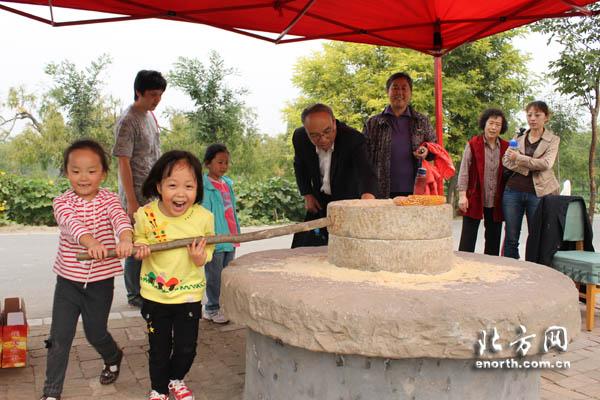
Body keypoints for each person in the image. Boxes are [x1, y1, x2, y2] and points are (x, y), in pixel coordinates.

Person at [41, 140, 133, 400]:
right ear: (67, 172)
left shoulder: (110, 199)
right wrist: (91, 242)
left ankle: (113, 356)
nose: (84, 177)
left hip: (100, 283)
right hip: (68, 282)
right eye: (76, 170)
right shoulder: (61, 202)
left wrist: (125, 238)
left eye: (91, 171)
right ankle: (51, 392)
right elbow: (72, 226)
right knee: (59, 337)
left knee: (95, 332)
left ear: (103, 173)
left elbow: (120, 219)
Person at [133, 150, 215, 400]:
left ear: (197, 188)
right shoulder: (145, 215)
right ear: (159, 186)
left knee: (186, 348)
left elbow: (209, 249)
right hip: (155, 295)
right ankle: (158, 389)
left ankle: (175, 378)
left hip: (188, 296)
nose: (181, 193)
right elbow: (138, 240)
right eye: (172, 185)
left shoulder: (203, 217)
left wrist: (201, 257)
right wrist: (140, 248)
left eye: (189, 186)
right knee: (158, 349)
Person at [113, 69, 167, 308]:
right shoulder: (128, 120)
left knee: (151, 239)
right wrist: (131, 201)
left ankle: (147, 286)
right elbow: (123, 161)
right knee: (136, 242)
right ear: (139, 92)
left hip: (153, 191)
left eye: (160, 95)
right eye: (153, 94)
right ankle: (134, 293)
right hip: (135, 193)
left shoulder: (150, 117)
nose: (157, 100)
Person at [291, 103, 378, 247]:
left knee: (348, 247)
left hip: (348, 202)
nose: (323, 139)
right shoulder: (300, 138)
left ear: (334, 122)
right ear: (306, 131)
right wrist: (307, 194)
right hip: (320, 202)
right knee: (303, 248)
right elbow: (299, 165)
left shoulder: (353, 139)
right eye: (315, 136)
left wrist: (367, 200)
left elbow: (366, 172)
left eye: (327, 131)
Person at [363, 71, 437, 198]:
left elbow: (434, 149)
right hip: (381, 192)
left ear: (410, 93)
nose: (399, 93)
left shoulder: (421, 120)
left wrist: (426, 150)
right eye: (395, 88)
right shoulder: (373, 123)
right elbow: (363, 156)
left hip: (415, 190)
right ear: (388, 92)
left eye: (404, 88)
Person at [502, 100, 560, 259]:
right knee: (511, 236)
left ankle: (534, 271)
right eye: (529, 115)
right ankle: (510, 271)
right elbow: (506, 161)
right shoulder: (518, 136)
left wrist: (519, 158)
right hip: (512, 191)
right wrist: (529, 167)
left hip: (539, 193)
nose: (532, 118)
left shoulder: (553, 140)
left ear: (546, 117)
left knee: (536, 235)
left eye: (537, 115)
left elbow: (547, 164)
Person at [457, 108, 509, 255]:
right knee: (468, 239)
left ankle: (490, 271)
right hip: (475, 197)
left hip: (496, 200)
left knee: (493, 240)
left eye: (498, 125)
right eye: (491, 123)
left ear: (502, 127)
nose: (493, 127)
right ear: (484, 124)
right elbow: (464, 170)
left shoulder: (506, 147)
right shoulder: (473, 144)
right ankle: (464, 266)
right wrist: (462, 195)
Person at [201, 144, 240, 324]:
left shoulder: (227, 184)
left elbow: (231, 210)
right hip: (215, 239)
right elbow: (203, 214)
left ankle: (223, 306)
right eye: (219, 162)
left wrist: (236, 233)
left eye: (226, 162)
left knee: (227, 274)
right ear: (208, 163)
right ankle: (212, 308)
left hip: (230, 237)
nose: (224, 166)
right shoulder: (204, 186)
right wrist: (208, 236)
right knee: (214, 276)